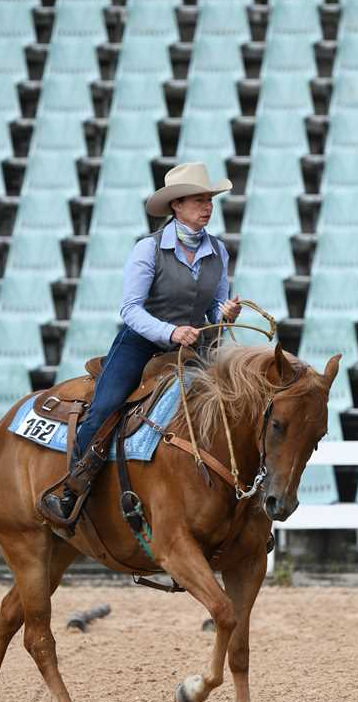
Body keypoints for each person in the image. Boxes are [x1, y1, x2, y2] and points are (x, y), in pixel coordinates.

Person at [41, 162, 242, 525]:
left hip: (194, 348)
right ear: (176, 205)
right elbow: (131, 310)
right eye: (199, 200)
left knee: (236, 406)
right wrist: (170, 333)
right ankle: (72, 489)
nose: (207, 207)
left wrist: (225, 313)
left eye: (209, 200)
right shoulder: (148, 249)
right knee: (105, 406)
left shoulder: (219, 251)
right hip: (143, 344)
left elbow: (215, 308)